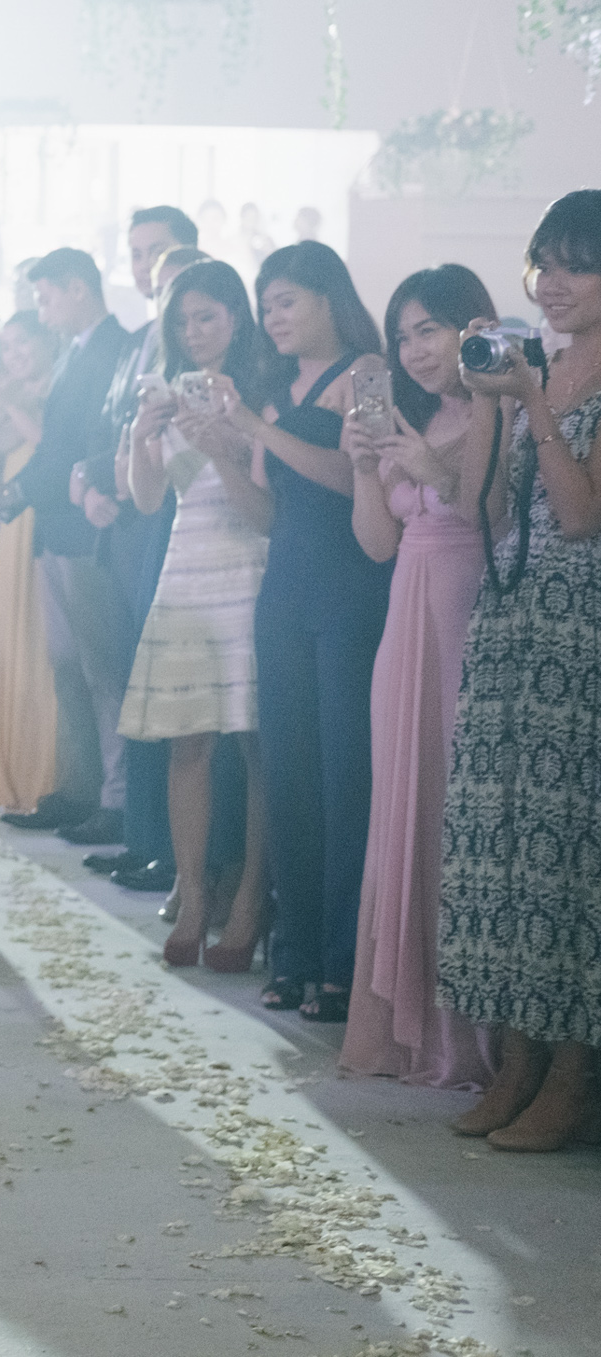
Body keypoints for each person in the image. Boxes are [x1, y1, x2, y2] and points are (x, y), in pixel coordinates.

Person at [436, 191, 601, 1150]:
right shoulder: (534, 363)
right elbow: (483, 512)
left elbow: (580, 516)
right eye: (545, 263)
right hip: (512, 617)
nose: (555, 283)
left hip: (581, 630)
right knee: (500, 845)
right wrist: (492, 403)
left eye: (579, 264)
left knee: (567, 854)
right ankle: (517, 1060)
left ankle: (572, 1075)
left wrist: (533, 400)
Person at [219, 240, 392, 1020]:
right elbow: (265, 512)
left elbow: (358, 478)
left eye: (287, 301)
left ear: (330, 298)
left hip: (350, 590)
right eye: (267, 307)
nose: (274, 318)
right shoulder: (277, 390)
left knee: (344, 777)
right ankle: (294, 952)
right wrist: (222, 450)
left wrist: (259, 428)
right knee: (288, 776)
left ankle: (343, 963)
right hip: (283, 592)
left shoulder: (368, 373)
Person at [338, 264, 497, 1089]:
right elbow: (375, 543)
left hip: (471, 616)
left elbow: (500, 520)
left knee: (454, 810)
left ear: (471, 325)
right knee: (400, 803)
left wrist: (437, 474)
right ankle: (404, 1025)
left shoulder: (501, 409)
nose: (414, 349)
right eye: (403, 335)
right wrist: (364, 466)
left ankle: (469, 1035)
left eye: (428, 329)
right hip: (405, 618)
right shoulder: (417, 416)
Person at [119, 260, 275, 970]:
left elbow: (268, 502)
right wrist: (141, 436)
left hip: (250, 564)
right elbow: (149, 497)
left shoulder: (261, 391)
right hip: (187, 565)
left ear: (237, 318)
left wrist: (229, 433)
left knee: (257, 744)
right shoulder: (166, 392)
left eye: (207, 316)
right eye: (182, 321)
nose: (194, 331)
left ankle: (250, 898)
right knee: (188, 741)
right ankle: (191, 892)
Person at [0, 247, 132, 833]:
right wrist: (12, 493)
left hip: (88, 526)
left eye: (46, 299)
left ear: (78, 289)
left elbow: (87, 443)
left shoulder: (115, 349)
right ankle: (81, 786)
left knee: (102, 667)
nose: (42, 313)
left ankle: (116, 798)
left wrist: (26, 489)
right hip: (54, 525)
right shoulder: (75, 351)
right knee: (66, 664)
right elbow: (53, 450)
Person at [76, 207, 202, 863]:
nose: (147, 266)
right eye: (136, 253)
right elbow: (111, 426)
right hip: (127, 522)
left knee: (169, 693)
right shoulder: (136, 341)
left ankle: (166, 847)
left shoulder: (197, 351)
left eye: (159, 251)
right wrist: (88, 475)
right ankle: (142, 832)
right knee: (132, 682)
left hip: (174, 525)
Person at [0, 311, 56, 812]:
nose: (14, 355)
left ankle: (46, 774)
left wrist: (8, 400)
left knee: (41, 642)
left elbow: (47, 442)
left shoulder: (58, 385)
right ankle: (14, 770)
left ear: (47, 340)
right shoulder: (19, 391)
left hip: (41, 512)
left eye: (23, 342)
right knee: (12, 637)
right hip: (11, 514)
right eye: (6, 347)